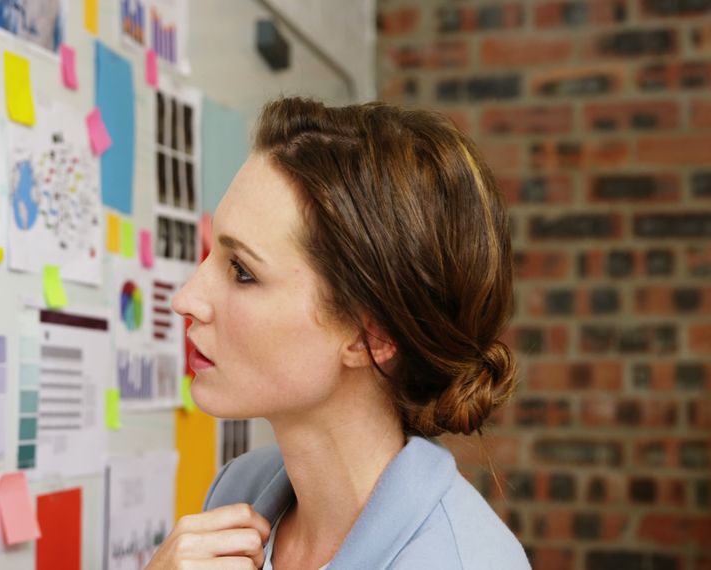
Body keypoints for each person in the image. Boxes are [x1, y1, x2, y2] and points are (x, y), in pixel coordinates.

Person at [150, 98, 530, 569]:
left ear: (370, 336)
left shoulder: (461, 561)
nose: (186, 298)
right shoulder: (236, 492)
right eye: (210, 256)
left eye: (242, 271)